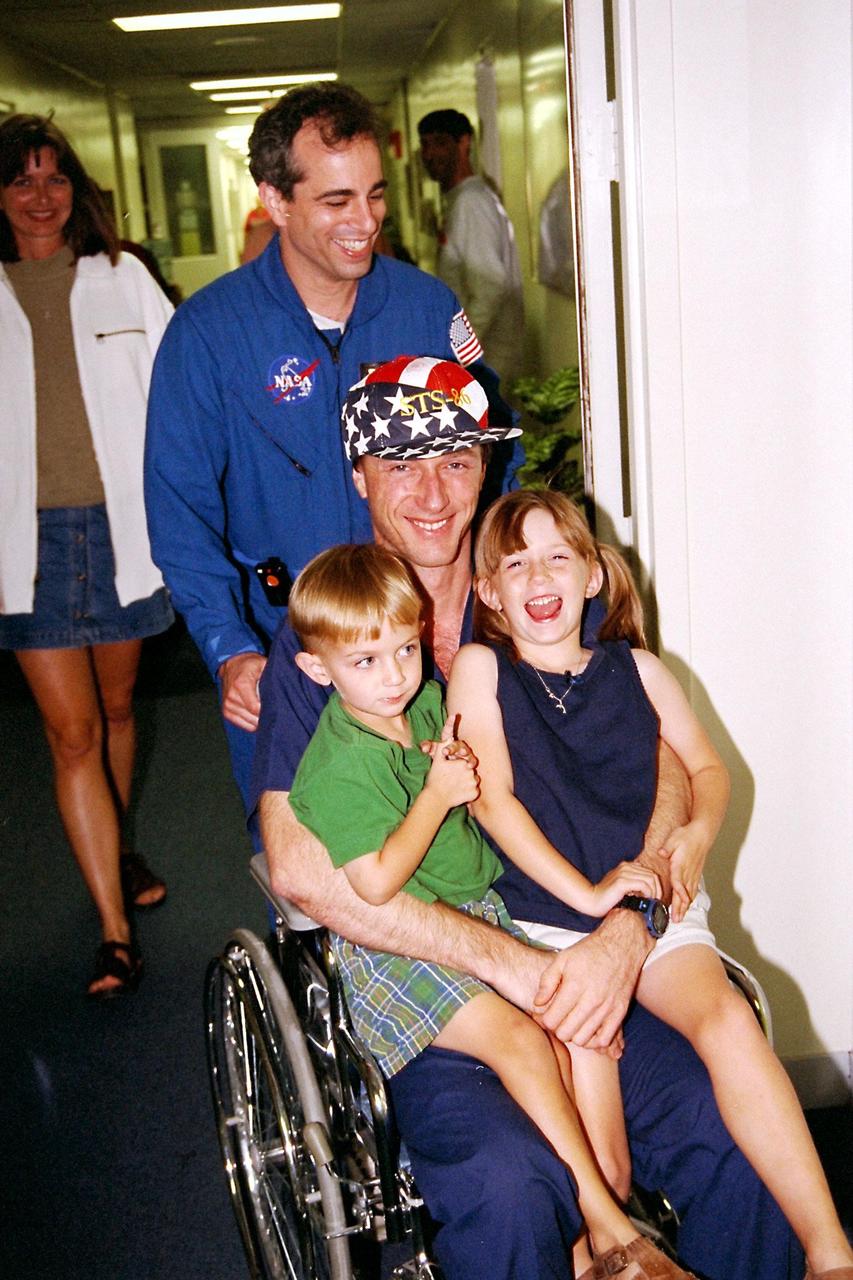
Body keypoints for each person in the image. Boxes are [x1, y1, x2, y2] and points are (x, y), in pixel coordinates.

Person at [253, 356, 803, 1280]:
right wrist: (513, 966)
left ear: (485, 469)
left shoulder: (527, 595)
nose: (432, 493)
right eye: (401, 467)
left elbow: (660, 758)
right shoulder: (333, 629)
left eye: (456, 461)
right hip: (451, 978)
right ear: (361, 479)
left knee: (728, 1126)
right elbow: (304, 872)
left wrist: (628, 926)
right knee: (512, 1188)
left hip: (584, 945)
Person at [447, 487, 853, 1280]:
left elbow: (706, 768)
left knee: (727, 1020)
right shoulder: (480, 669)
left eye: (558, 557)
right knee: (607, 1165)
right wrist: (587, 896)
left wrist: (696, 835)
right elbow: (490, 798)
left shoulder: (636, 668)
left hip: (650, 908)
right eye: (515, 563)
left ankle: (829, 1250)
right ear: (489, 593)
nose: (539, 577)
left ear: (593, 575)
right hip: (543, 924)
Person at [287, 539, 690, 1280]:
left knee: (579, 1031)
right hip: (398, 950)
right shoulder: (341, 762)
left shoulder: (429, 704)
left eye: (405, 650)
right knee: (521, 1038)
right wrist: (437, 798)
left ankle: (588, 1236)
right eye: (364, 662)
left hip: (482, 911)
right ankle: (610, 1228)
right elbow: (374, 885)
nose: (394, 676)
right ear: (318, 669)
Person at [144, 82, 520, 807]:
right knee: (310, 862)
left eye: (374, 195)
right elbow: (179, 512)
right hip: (292, 648)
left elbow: (494, 452)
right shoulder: (208, 335)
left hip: (422, 645)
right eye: (336, 201)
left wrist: (491, 587)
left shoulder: (424, 307)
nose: (365, 222)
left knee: (458, 836)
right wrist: (230, 649)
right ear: (275, 201)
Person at [0, 115, 174, 997]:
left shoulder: (122, 278)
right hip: (22, 544)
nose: (40, 196)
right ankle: (113, 929)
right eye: (22, 180)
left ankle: (119, 834)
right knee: (69, 736)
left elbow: (177, 391)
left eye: (54, 177)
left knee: (113, 711)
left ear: (77, 189)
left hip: (122, 531)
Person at [418, 109, 524, 381]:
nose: (430, 154)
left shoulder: (470, 202)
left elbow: (489, 287)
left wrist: (456, 355)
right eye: (425, 145)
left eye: (440, 143)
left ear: (464, 143)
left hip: (485, 362)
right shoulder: (462, 199)